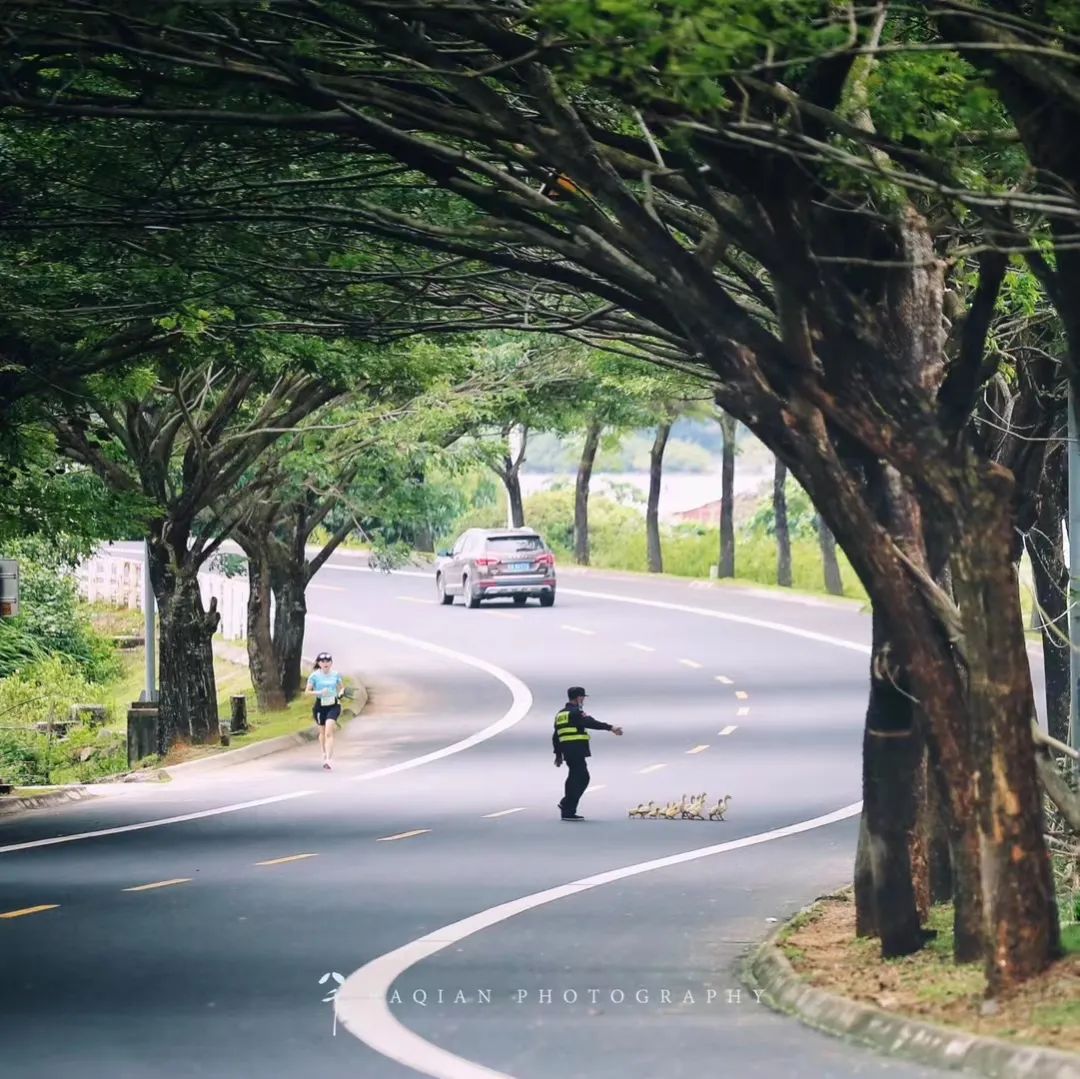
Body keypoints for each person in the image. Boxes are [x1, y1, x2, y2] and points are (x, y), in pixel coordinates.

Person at [553, 686, 622, 821]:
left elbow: (556, 735)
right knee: (581, 777)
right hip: (576, 749)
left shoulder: (560, 714)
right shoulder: (576, 712)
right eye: (583, 697)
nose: (583, 700)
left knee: (575, 776)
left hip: (568, 750)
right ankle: (567, 808)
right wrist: (611, 727)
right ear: (579, 698)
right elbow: (591, 722)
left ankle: (567, 805)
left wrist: (558, 754)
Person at [306, 651, 344, 770]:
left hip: (333, 705)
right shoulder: (314, 676)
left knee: (329, 732)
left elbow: (342, 687)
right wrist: (319, 692)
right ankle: (323, 752)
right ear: (319, 663)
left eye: (328, 661)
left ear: (331, 663)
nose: (325, 663)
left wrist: (341, 693)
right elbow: (307, 692)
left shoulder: (336, 674)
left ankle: (328, 759)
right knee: (322, 733)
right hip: (320, 706)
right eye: (323, 661)